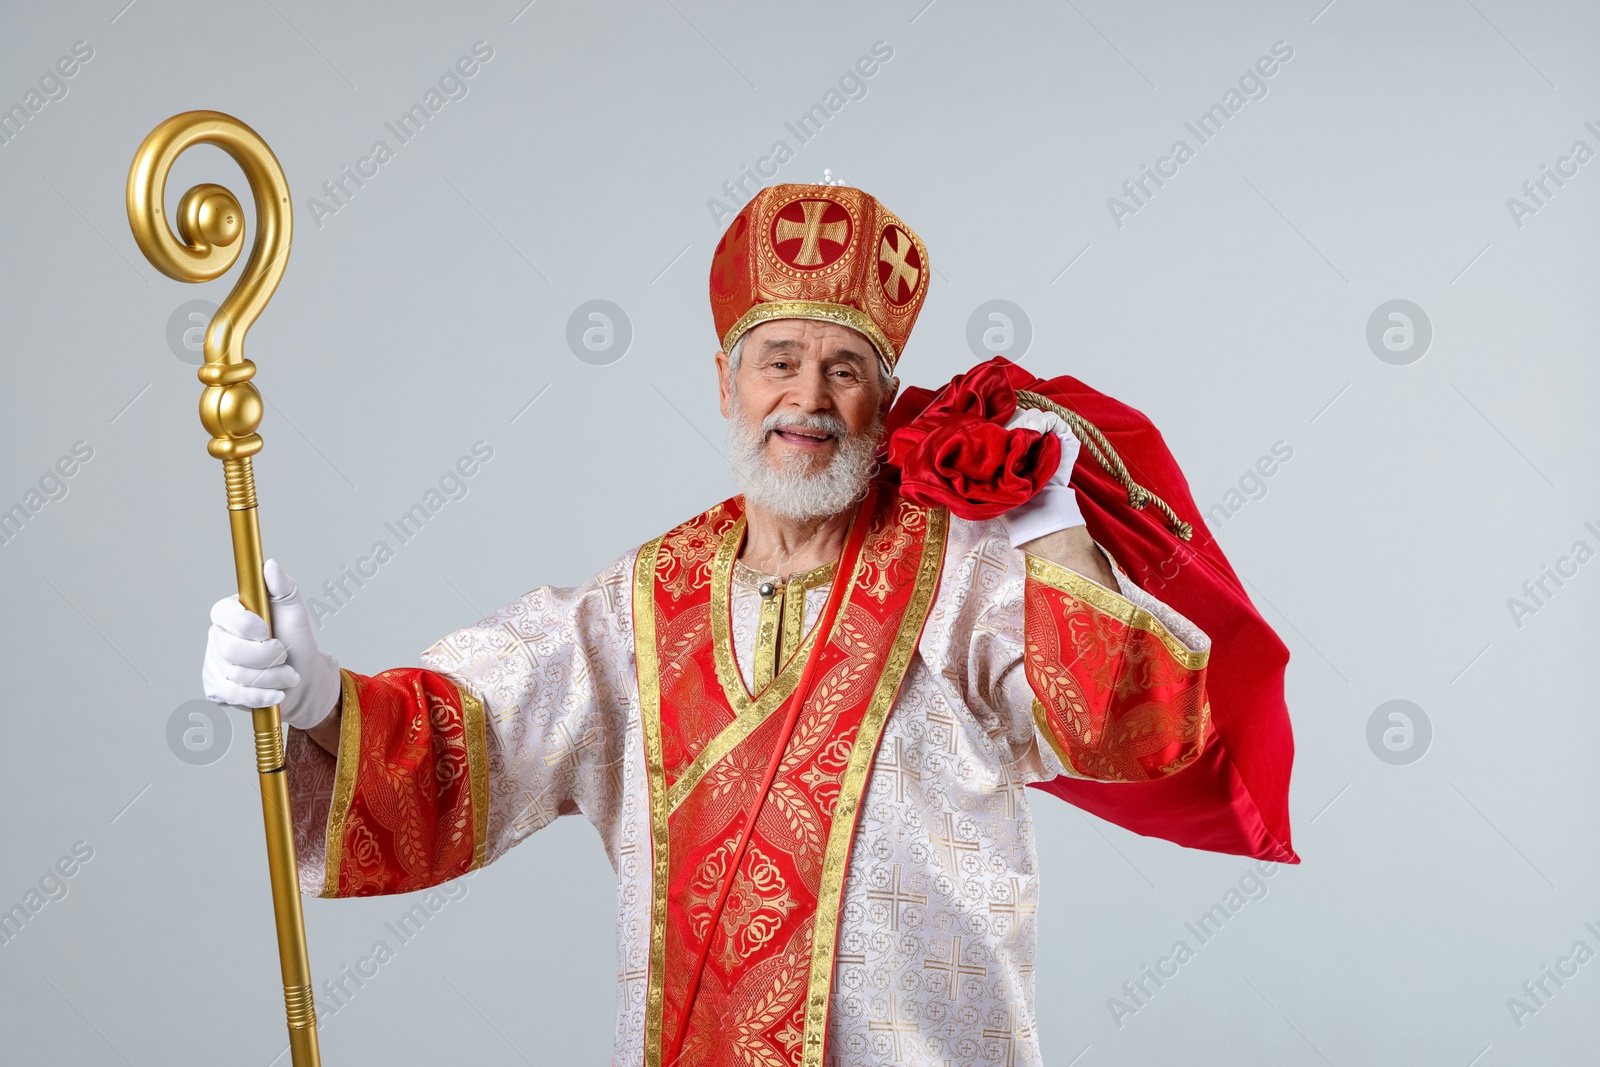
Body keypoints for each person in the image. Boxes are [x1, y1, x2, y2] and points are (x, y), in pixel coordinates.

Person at [201, 185, 1215, 1067]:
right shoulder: (637, 605)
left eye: (844, 368)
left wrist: (1056, 532)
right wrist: (321, 696)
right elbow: (464, 744)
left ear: (887, 397)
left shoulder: (969, 581)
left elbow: (1130, 730)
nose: (805, 398)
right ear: (724, 382)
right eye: (777, 360)